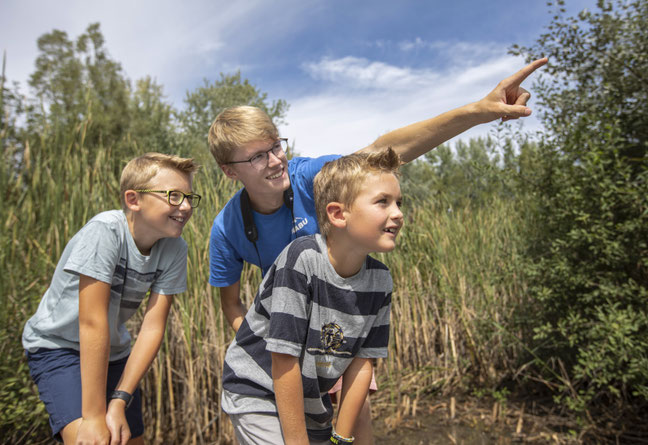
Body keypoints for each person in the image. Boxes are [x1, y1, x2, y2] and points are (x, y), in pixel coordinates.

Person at [208, 57, 548, 443]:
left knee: (358, 414)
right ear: (229, 171)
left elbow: (381, 156)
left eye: (275, 146)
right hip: (280, 344)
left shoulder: (308, 179)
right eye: (257, 157)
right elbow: (232, 306)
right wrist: (278, 342)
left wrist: (476, 112)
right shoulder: (227, 228)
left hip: (334, 327)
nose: (275, 161)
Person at [221, 148, 403, 444]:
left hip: (310, 400)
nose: (398, 213)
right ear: (338, 214)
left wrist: (341, 439)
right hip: (257, 391)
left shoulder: (380, 280)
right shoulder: (301, 259)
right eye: (383, 202)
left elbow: (361, 364)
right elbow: (283, 359)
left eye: (398, 202)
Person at [22, 153, 201, 445]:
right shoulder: (105, 231)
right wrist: (94, 417)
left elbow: (153, 327)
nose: (186, 206)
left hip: (115, 353)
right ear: (134, 200)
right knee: (94, 438)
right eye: (174, 196)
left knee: (127, 438)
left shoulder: (175, 248)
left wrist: (119, 400)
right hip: (58, 347)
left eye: (190, 197)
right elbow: (92, 322)